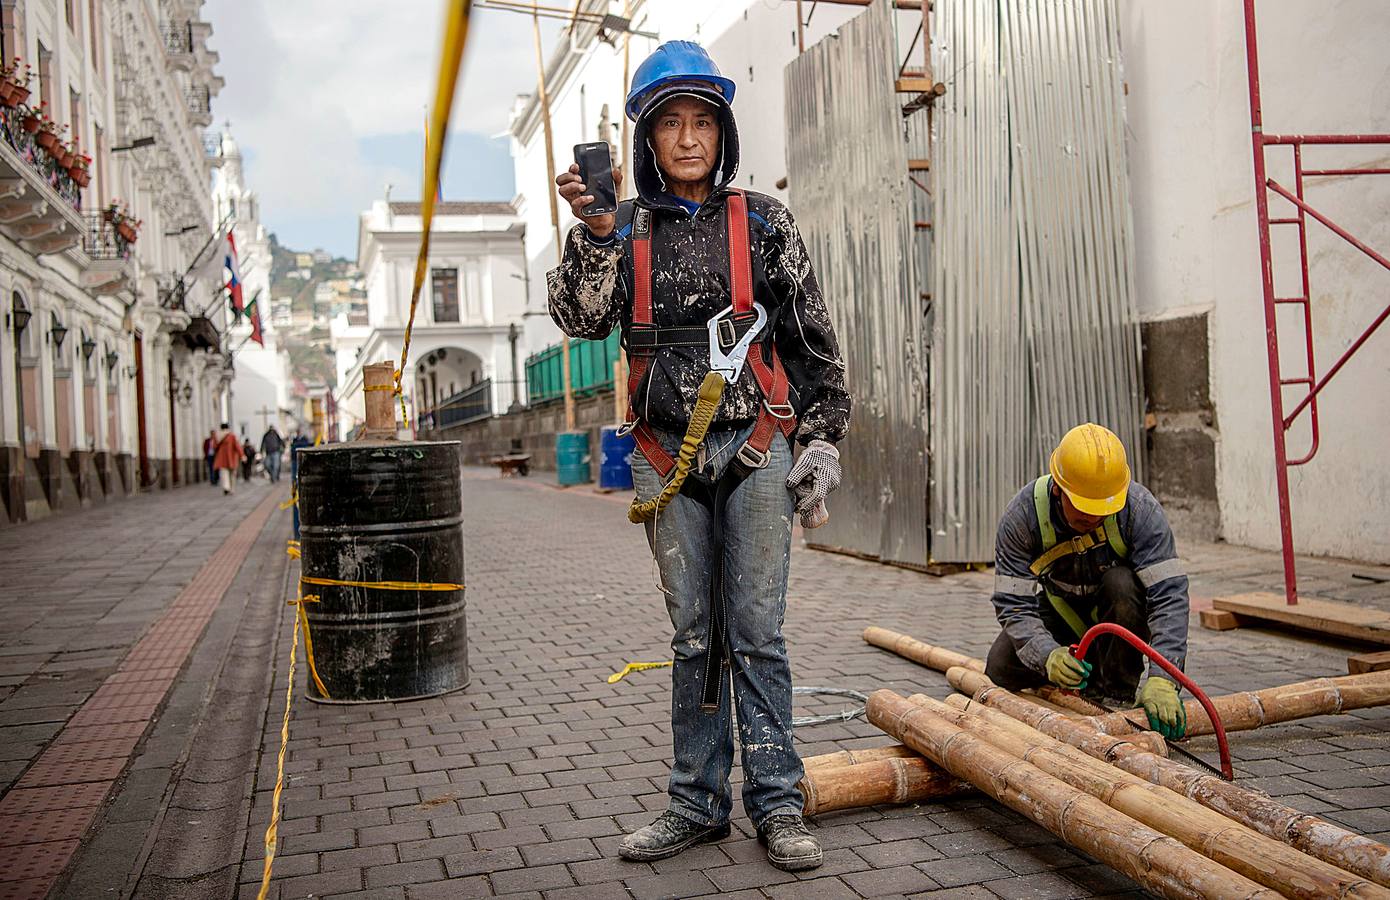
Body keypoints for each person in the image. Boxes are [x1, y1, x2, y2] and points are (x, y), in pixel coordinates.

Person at [548, 41, 851, 872]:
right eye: (669, 124)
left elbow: (814, 346)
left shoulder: (764, 223)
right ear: (645, 140)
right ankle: (695, 801)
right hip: (662, 457)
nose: (687, 139)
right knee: (694, 636)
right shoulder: (624, 228)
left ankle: (779, 806)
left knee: (757, 632)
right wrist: (596, 232)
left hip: (758, 448)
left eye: (702, 122)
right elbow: (578, 317)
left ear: (723, 133)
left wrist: (821, 440)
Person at [986, 422, 1191, 739]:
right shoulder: (1022, 517)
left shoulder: (1140, 510)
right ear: (1058, 489)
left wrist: (1165, 677)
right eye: (1085, 511)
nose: (1095, 519)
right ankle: (1075, 674)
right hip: (1061, 612)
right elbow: (1014, 604)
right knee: (999, 667)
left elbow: (1170, 598)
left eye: (1103, 510)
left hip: (1119, 619)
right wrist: (1047, 655)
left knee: (1121, 583)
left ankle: (1116, 694)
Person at [212, 424, 241, 495]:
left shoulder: (217, 436)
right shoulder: (232, 436)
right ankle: (232, 489)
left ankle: (226, 487)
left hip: (221, 458)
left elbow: (214, 446)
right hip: (231, 458)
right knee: (232, 474)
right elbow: (237, 446)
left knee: (224, 473)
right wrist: (242, 455)